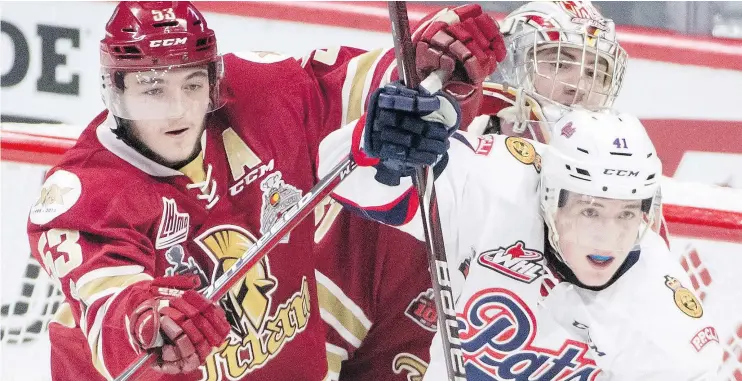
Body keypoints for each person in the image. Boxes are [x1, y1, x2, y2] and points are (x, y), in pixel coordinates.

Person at [26, 1, 505, 380]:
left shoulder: (259, 93)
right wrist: (149, 318)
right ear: (117, 90)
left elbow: (353, 86)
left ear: (213, 81)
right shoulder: (84, 190)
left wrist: (428, 64)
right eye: (153, 90)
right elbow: (107, 297)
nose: (178, 110)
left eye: (192, 85)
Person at [317, 89, 724, 380]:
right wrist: (383, 145)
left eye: (626, 215)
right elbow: (350, 183)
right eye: (591, 211)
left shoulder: (662, 314)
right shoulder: (500, 183)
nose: (609, 239)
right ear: (551, 197)